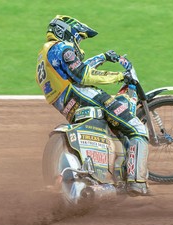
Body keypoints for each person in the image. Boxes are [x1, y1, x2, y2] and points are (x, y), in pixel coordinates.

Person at [36, 15, 149, 196]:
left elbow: (74, 69)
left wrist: (102, 57)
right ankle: (137, 182)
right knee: (137, 128)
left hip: (68, 104)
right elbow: (83, 75)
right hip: (85, 96)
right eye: (78, 37)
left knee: (114, 127)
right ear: (66, 32)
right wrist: (119, 76)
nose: (79, 42)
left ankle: (109, 172)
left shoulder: (45, 54)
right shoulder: (62, 48)